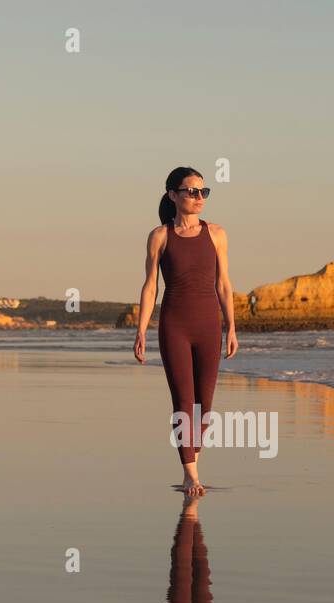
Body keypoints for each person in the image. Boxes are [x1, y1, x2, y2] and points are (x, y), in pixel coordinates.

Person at [133, 166, 239, 496]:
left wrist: (232, 327)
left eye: (203, 192)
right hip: (174, 326)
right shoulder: (160, 236)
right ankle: (190, 473)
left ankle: (191, 456)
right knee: (184, 401)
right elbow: (151, 287)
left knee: (204, 406)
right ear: (173, 195)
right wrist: (141, 330)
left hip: (209, 325)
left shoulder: (217, 234)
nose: (198, 197)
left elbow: (223, 284)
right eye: (191, 191)